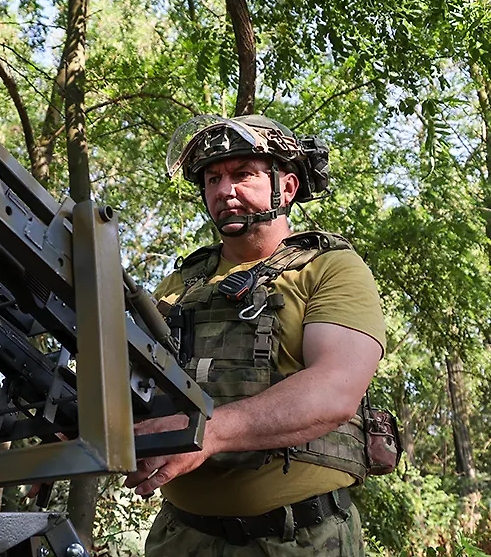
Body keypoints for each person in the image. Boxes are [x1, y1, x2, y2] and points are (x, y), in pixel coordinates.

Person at [125, 115, 386, 556]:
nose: (224, 190)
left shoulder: (330, 268)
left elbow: (335, 390)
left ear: (286, 188)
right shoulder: (180, 284)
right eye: (212, 179)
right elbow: (130, 378)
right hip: (179, 537)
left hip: (298, 539)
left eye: (243, 174)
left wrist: (210, 432)